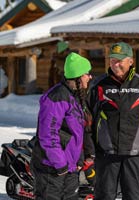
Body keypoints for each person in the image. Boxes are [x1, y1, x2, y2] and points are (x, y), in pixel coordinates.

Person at [88, 42, 139, 200]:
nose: (115, 64)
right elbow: (88, 121)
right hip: (106, 153)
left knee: (134, 196)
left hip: (134, 153)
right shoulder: (99, 86)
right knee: (104, 196)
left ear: (131, 61)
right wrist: (89, 150)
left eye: (120, 60)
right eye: (112, 59)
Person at [30, 52, 93, 200]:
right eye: (87, 73)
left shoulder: (74, 96)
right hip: (52, 168)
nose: (90, 77)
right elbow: (48, 135)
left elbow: (76, 133)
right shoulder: (57, 97)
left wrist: (78, 160)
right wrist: (60, 164)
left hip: (69, 167)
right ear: (77, 76)